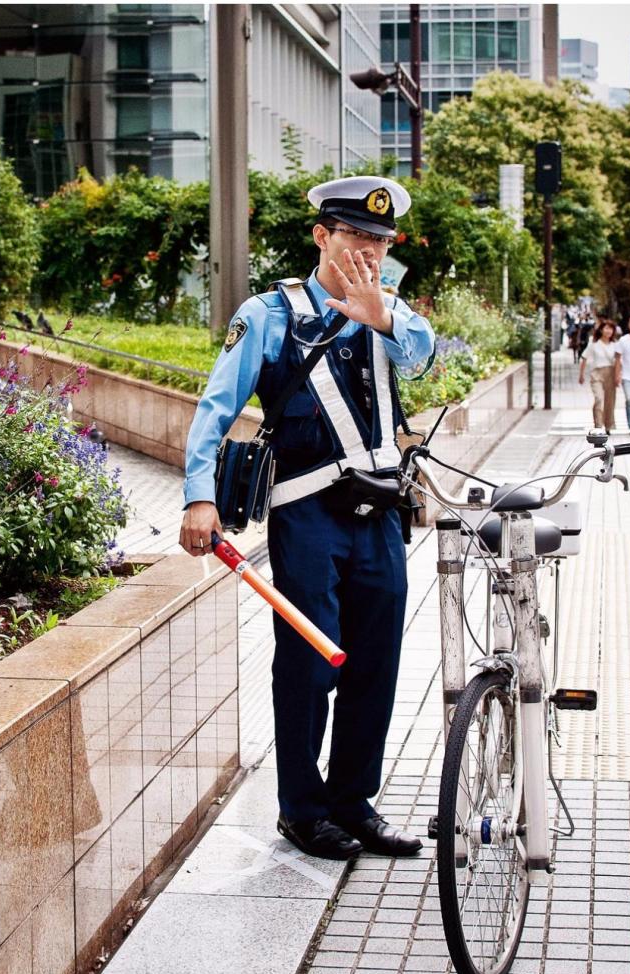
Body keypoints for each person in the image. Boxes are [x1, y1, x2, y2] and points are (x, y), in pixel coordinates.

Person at [180, 176, 435, 860]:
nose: (369, 252)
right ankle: (302, 808)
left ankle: (354, 803)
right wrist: (198, 495)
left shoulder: (392, 311)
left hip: (379, 512)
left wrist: (380, 314)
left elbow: (425, 360)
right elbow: (216, 408)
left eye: (380, 241)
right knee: (308, 661)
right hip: (307, 512)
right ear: (322, 236)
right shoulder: (268, 313)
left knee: (375, 662)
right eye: (355, 236)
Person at [578, 319, 618, 432]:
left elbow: (619, 361)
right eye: (606, 328)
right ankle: (598, 425)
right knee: (599, 398)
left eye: (611, 329)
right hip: (597, 373)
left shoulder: (615, 345)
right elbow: (584, 358)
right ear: (601, 330)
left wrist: (618, 376)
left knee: (610, 401)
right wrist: (581, 375)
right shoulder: (594, 344)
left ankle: (608, 425)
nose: (608, 331)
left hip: (611, 373)